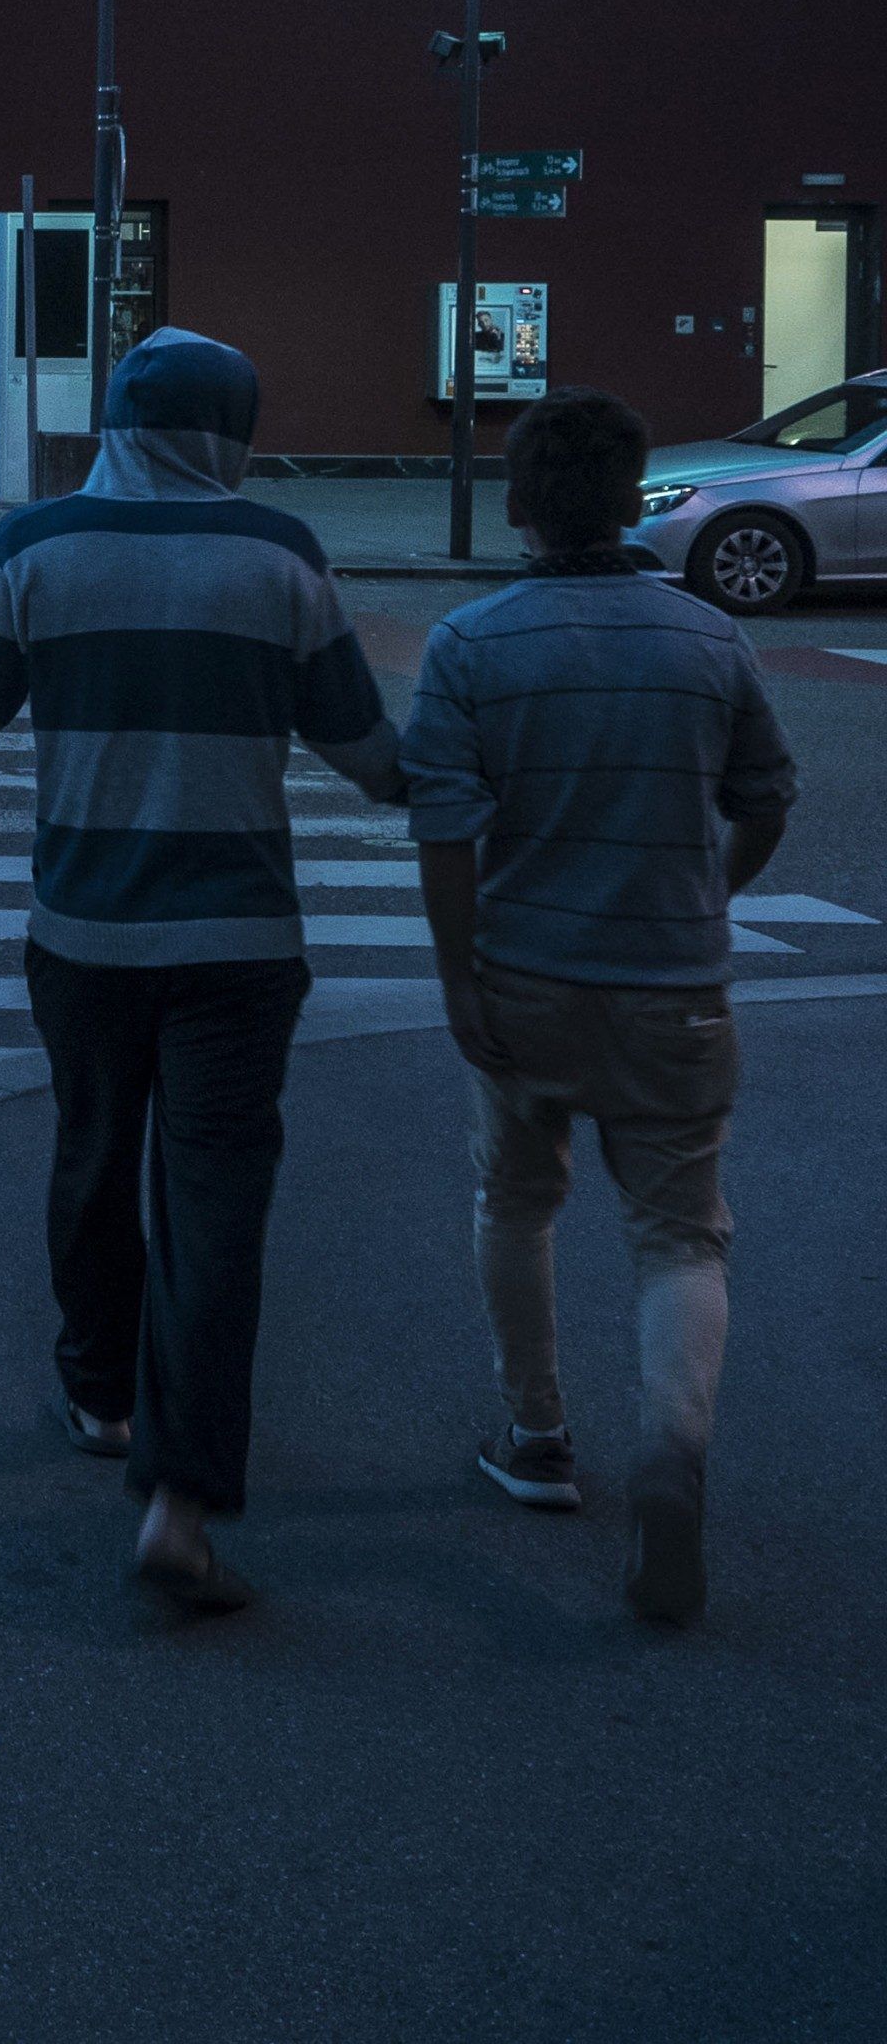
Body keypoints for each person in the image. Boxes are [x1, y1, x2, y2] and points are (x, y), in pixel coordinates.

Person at [0, 327, 402, 1614]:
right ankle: (179, 1495)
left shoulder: (32, 547)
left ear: (115, 421)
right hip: (238, 943)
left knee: (95, 1160)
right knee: (216, 1210)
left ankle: (101, 1394)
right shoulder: (278, 552)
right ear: (233, 429)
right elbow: (369, 755)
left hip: (85, 936)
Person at [404, 388, 795, 1626]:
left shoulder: (471, 645)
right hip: (673, 989)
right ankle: (670, 1460)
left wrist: (460, 975)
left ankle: (535, 1435)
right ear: (633, 502)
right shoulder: (707, 639)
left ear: (515, 507)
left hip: (523, 979)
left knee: (515, 1201)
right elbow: (767, 797)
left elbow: (445, 832)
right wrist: (705, 896)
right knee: (681, 1231)